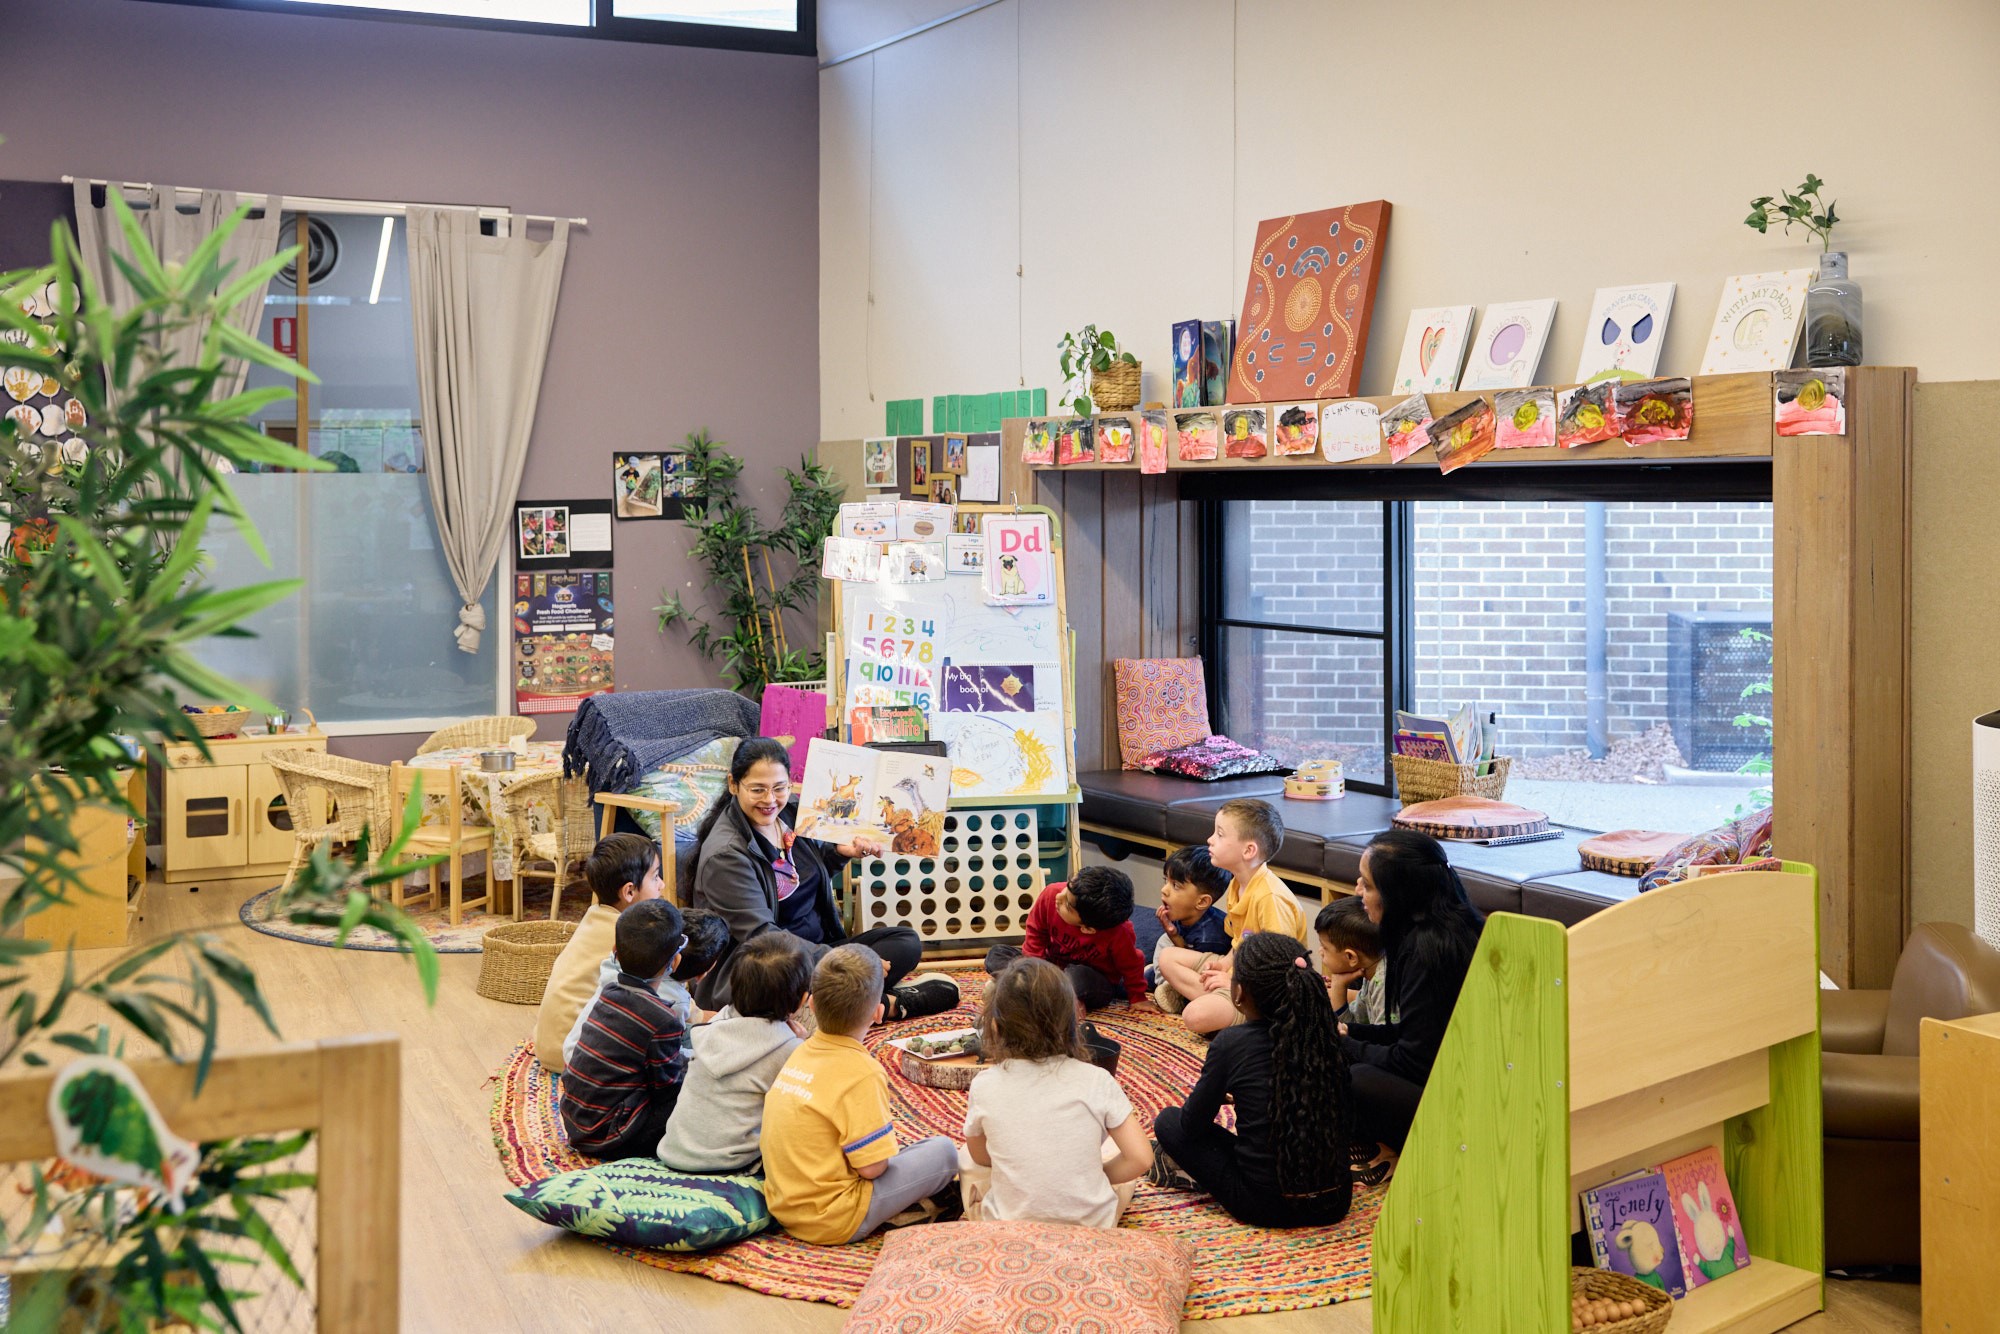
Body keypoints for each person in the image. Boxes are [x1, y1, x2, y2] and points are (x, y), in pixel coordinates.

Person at [691, 738, 953, 1020]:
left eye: (779, 788)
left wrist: (840, 854)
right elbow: (762, 937)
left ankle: (846, 1000)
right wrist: (839, 960)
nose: (769, 800)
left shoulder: (791, 815)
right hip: (766, 969)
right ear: (733, 785)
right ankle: (886, 1005)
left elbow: (805, 879)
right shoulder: (725, 855)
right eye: (758, 789)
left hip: (816, 952)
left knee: (905, 942)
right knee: (852, 968)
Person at [1146, 931, 1352, 1229]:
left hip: (1265, 1205)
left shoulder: (1232, 1043)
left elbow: (1191, 1125)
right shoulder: (1327, 1035)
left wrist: (1215, 1096)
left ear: (1239, 993)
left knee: (1168, 1121)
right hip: (1336, 1201)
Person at [762, 944, 959, 1244]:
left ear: (811, 1004)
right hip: (835, 1219)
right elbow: (872, 1169)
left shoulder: (798, 1052)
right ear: (878, 1013)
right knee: (943, 1152)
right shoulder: (862, 1072)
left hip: (783, 1206)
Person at [960, 957, 1152, 1227]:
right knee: (1110, 1153)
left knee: (966, 1156)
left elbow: (981, 1156)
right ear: (1073, 1022)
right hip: (1092, 1226)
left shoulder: (985, 1084)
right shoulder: (1097, 1080)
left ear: (995, 1027)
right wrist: (1095, 1177)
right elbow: (1141, 1158)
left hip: (1009, 1226)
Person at [1342, 829, 1486, 1184]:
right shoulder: (1443, 926)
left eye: (1368, 885)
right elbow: (1416, 1033)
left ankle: (1395, 1151)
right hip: (1451, 1074)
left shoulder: (1427, 950)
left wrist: (1346, 1045)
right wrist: (1353, 1033)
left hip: (1462, 1100)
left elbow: (1415, 1061)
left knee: (1353, 1077)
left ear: (1398, 894)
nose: (1358, 891)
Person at [656, 931, 813, 1174]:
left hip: (675, 1150)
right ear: (802, 1000)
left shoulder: (717, 1023)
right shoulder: (790, 1050)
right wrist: (801, 1043)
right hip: (732, 1162)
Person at [1156, 799, 1312, 1033]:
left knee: (1194, 1017)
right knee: (1167, 957)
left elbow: (1280, 967)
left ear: (1248, 851)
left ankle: (1242, 1016)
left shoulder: (1271, 898)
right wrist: (1224, 965)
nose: (1210, 839)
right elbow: (1240, 941)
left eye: (1219, 834)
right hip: (1240, 974)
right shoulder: (1238, 884)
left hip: (1266, 990)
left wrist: (1234, 982)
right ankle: (1219, 1001)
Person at [559, 899, 690, 1160]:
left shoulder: (609, 991)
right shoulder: (663, 1019)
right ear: (675, 962)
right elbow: (665, 1089)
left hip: (576, 1123)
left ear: (615, 951)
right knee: (692, 1092)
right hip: (609, 1137)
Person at [534, 833, 662, 1073]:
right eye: (655, 877)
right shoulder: (630, 935)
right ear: (629, 892)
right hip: (578, 1054)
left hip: (549, 1047)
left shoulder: (594, 917)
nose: (662, 885)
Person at [562, 907, 729, 1071]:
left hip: (573, 1054)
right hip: (607, 1075)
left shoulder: (616, 964)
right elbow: (666, 1061)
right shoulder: (672, 1006)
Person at [982, 867, 1149, 1011]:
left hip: (1091, 980)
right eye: (1067, 887)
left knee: (1078, 977)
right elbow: (1035, 935)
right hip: (1049, 969)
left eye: (1067, 905)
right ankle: (1041, 993)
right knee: (997, 954)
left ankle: (1024, 990)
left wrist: (1137, 997)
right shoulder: (1051, 893)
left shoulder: (1120, 932)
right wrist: (1033, 973)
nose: (1059, 897)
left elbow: (1131, 964)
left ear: (1088, 929)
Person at [1147, 845, 1232, 1013]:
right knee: (1164, 941)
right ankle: (1160, 979)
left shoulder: (1211, 937)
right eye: (1166, 881)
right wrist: (1173, 934)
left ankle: (1173, 991)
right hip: (1185, 952)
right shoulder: (1184, 915)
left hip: (1204, 972)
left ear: (1202, 902)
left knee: (1150, 974)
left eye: (1176, 885)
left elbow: (1196, 969)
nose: (1164, 890)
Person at [1315, 895, 1388, 1026]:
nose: (1320, 951)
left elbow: (1382, 1038)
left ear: (1351, 957)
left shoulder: (1383, 984)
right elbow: (1353, 1025)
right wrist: (1338, 986)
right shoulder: (1370, 974)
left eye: (1325, 947)